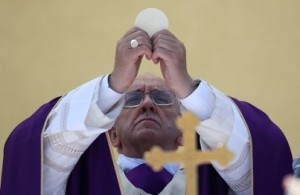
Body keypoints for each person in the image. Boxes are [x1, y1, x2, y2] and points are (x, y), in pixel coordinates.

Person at [0, 27, 293, 195]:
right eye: (131, 98)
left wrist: (188, 89)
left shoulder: (219, 181)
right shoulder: (73, 183)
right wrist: (113, 85)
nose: (147, 103)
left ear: (183, 134)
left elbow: (260, 161)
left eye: (164, 97)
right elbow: (36, 153)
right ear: (112, 134)